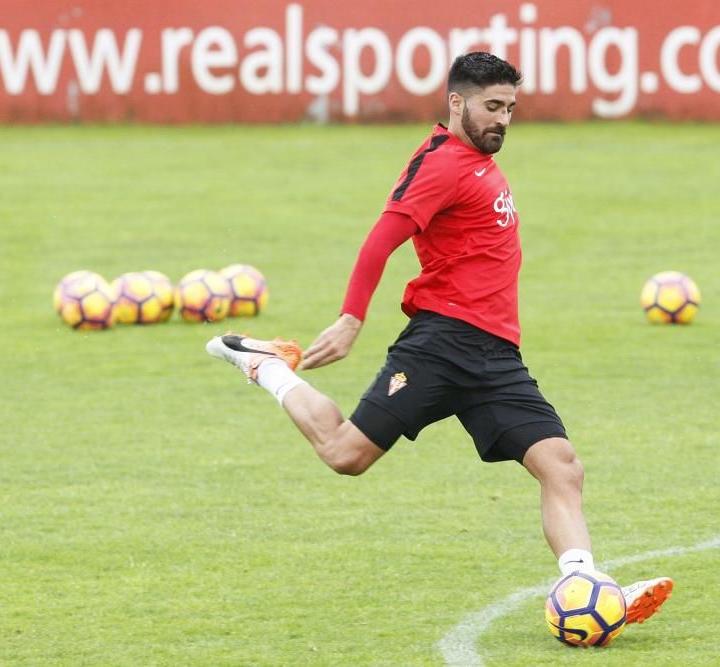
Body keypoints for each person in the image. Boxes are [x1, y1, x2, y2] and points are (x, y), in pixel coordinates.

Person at [206, 51, 672, 626]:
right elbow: (380, 241)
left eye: (510, 108)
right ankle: (267, 367)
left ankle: (585, 585)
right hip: (442, 345)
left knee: (561, 465)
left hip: (496, 355)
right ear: (457, 102)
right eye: (491, 106)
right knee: (346, 456)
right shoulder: (440, 164)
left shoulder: (480, 161)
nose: (503, 119)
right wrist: (351, 318)